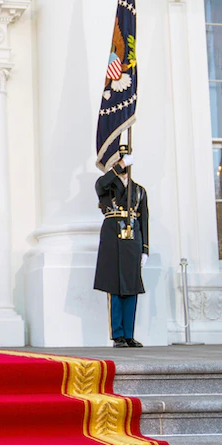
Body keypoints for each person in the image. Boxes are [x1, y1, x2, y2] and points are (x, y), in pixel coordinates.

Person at [93, 144, 149, 348]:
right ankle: (117, 335)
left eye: (125, 160)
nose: (123, 164)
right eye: (120, 160)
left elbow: (144, 220)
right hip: (113, 237)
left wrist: (145, 249)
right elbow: (100, 185)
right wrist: (118, 167)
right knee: (115, 287)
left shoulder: (139, 190)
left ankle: (129, 334)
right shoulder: (107, 185)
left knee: (131, 287)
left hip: (132, 238)